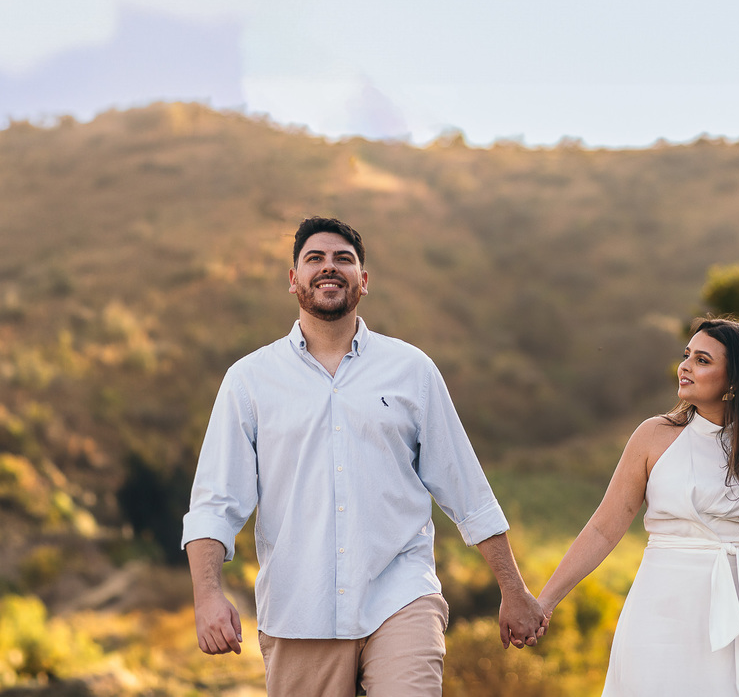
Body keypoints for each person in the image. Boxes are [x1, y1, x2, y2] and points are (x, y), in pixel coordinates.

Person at [181, 216, 546, 697]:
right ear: (293, 280)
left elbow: (467, 490)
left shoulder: (412, 370)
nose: (329, 268)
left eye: (343, 259)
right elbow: (215, 501)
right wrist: (207, 596)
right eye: (315, 258)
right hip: (298, 610)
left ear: (363, 281)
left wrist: (513, 588)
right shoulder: (249, 380)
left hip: (401, 596)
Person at [537, 317, 739, 695]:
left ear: (734, 380)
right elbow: (603, 528)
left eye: (702, 360)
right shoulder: (653, 436)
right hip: (664, 614)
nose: (685, 366)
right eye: (686, 355)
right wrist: (545, 601)